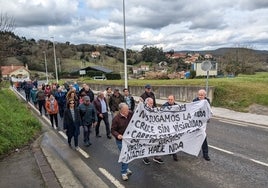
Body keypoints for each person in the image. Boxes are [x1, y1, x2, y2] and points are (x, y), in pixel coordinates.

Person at [111, 103, 133, 181]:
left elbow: (139, 114)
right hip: (121, 141)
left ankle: (126, 168)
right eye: (126, 110)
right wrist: (117, 135)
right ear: (121, 110)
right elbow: (113, 130)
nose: (128, 111)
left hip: (128, 140)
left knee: (127, 155)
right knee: (124, 155)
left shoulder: (130, 114)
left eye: (128, 109)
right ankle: (123, 172)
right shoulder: (116, 119)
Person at [142, 97, 164, 165]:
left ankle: (156, 157)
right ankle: (144, 156)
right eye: (150, 103)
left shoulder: (154, 110)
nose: (152, 104)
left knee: (157, 143)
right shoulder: (142, 110)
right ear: (146, 103)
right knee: (146, 144)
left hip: (155, 131)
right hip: (146, 131)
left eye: (152, 103)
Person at [193, 89, 211, 161]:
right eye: (199, 95)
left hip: (203, 123)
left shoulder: (207, 101)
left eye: (201, 95)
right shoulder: (194, 101)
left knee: (203, 137)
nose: (200, 96)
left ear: (205, 96)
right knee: (195, 137)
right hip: (196, 123)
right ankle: (195, 150)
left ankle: (205, 154)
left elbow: (208, 110)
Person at [162, 94, 179, 161]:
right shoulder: (164, 106)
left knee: (174, 140)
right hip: (167, 127)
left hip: (174, 127)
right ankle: (169, 151)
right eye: (169, 99)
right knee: (168, 140)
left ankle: (174, 153)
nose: (170, 101)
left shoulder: (177, 106)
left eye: (171, 99)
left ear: (174, 100)